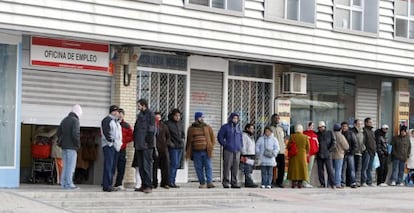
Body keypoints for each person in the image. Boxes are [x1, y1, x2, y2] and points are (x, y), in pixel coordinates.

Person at [185, 112, 216, 189]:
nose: (202, 119)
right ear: (196, 118)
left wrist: (210, 146)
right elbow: (189, 140)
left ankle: (209, 182)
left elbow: (213, 138)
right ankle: (202, 183)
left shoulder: (207, 127)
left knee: (208, 166)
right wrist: (188, 151)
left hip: (206, 151)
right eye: (200, 117)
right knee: (198, 167)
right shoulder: (191, 128)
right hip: (196, 152)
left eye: (203, 117)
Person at [133, 99, 156, 193]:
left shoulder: (150, 114)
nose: (138, 107)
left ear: (143, 105)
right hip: (139, 144)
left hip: (146, 145)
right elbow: (136, 129)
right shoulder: (139, 115)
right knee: (141, 166)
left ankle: (148, 185)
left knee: (147, 166)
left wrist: (148, 142)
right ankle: (143, 184)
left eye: (139, 105)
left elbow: (151, 129)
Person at [57, 104, 82, 190]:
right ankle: (69, 184)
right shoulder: (75, 121)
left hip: (64, 147)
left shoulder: (64, 120)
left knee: (65, 166)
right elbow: (76, 134)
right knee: (70, 167)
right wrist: (78, 145)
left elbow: (58, 133)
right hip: (71, 147)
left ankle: (63, 183)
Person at [218, 112, 243, 188]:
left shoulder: (238, 128)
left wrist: (240, 146)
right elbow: (220, 137)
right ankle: (225, 182)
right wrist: (225, 145)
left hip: (237, 150)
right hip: (228, 150)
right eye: (234, 118)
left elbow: (241, 138)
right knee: (227, 166)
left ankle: (234, 182)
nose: (235, 120)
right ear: (231, 118)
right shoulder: (225, 127)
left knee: (235, 167)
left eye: (237, 118)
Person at [101, 105, 122, 192]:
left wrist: (119, 144)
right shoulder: (107, 120)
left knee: (112, 166)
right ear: (112, 112)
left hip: (115, 147)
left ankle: (110, 184)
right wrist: (111, 142)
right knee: (108, 165)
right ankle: (107, 185)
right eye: (116, 111)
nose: (118, 113)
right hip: (109, 146)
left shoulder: (116, 122)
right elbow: (106, 133)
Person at [113, 108, 133, 190]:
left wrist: (123, 141)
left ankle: (119, 183)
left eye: (122, 115)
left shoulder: (126, 125)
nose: (120, 116)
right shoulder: (113, 123)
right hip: (114, 148)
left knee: (121, 167)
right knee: (112, 166)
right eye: (119, 114)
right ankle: (110, 183)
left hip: (122, 148)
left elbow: (131, 136)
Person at [165, 109, 185, 188]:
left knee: (176, 164)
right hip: (173, 147)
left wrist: (183, 139)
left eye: (179, 116)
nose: (178, 117)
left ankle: (173, 180)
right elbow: (166, 135)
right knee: (173, 164)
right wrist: (170, 144)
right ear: (172, 116)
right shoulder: (168, 124)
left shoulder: (180, 124)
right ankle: (170, 181)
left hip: (179, 146)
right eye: (176, 115)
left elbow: (182, 133)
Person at [287, 124, 309, 189]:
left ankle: (293, 183)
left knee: (294, 169)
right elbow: (308, 147)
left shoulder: (292, 136)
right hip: (302, 156)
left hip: (294, 155)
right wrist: (305, 153)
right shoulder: (305, 137)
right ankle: (300, 184)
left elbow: (288, 146)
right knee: (302, 169)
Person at [153, 112, 171, 189]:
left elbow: (168, 137)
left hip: (163, 149)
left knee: (165, 167)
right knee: (154, 167)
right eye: (156, 117)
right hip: (154, 149)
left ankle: (165, 183)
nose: (157, 119)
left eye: (158, 117)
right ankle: (154, 183)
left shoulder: (164, 126)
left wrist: (166, 144)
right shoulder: (152, 126)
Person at [316, 121, 336, 189]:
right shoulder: (317, 134)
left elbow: (333, 143)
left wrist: (329, 150)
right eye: (319, 127)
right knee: (320, 170)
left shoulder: (329, 133)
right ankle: (322, 183)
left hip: (327, 154)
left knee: (330, 169)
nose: (321, 128)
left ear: (324, 127)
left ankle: (332, 184)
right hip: (319, 154)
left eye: (322, 127)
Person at [269, 114, 286, 188]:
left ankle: (280, 182)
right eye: (276, 118)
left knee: (281, 167)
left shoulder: (281, 128)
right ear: (273, 119)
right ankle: (271, 181)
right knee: (272, 166)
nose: (277, 120)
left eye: (278, 118)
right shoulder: (270, 128)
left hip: (281, 151)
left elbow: (283, 138)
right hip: (273, 151)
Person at [332, 123, 349, 189]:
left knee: (331, 170)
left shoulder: (331, 135)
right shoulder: (341, 136)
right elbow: (346, 146)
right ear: (340, 129)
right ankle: (337, 183)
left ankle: (330, 183)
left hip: (331, 155)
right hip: (339, 155)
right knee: (338, 170)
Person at [240, 123, 258, 188]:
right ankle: (249, 182)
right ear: (247, 129)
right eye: (251, 128)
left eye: (253, 128)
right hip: (246, 154)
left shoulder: (251, 136)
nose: (252, 130)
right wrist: (244, 153)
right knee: (247, 169)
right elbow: (243, 145)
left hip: (251, 154)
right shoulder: (244, 135)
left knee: (250, 169)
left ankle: (248, 182)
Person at [302, 121, 319, 188]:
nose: (312, 127)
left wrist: (315, 152)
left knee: (309, 168)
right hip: (305, 154)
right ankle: (304, 182)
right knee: (305, 168)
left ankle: (306, 181)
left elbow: (317, 145)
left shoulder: (314, 135)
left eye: (313, 126)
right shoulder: (304, 134)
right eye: (311, 125)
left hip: (312, 154)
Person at [341, 121, 357, 188]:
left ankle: (352, 182)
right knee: (343, 169)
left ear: (347, 127)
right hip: (342, 154)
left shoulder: (351, 134)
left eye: (345, 126)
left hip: (350, 154)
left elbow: (355, 143)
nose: (344, 128)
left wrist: (352, 152)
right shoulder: (340, 134)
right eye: (343, 127)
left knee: (351, 169)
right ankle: (342, 182)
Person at [361, 117, 376, 187]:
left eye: (371, 122)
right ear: (366, 123)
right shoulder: (364, 131)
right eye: (369, 122)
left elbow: (373, 142)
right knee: (365, 167)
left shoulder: (372, 131)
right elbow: (362, 142)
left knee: (370, 168)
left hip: (372, 152)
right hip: (367, 152)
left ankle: (369, 181)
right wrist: (365, 150)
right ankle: (363, 181)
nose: (371, 123)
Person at [351, 119, 365, 187]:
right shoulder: (352, 132)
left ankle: (357, 181)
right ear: (355, 124)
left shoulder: (361, 132)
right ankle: (352, 182)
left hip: (359, 152)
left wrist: (363, 148)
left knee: (358, 168)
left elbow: (362, 142)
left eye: (360, 124)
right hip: (354, 152)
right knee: (353, 168)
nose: (360, 125)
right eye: (358, 124)